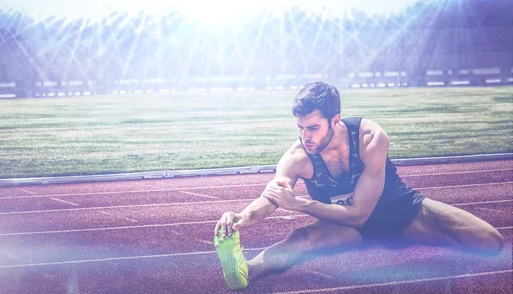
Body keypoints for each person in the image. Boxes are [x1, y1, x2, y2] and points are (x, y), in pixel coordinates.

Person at [213, 81, 504, 290]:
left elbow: (361, 213)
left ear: (335, 119)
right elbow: (272, 197)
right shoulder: (297, 157)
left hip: (402, 213)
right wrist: (242, 217)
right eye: (300, 128)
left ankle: (420, 242)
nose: (306, 137)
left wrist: (301, 204)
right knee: (301, 239)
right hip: (348, 230)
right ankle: (246, 271)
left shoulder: (370, 138)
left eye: (313, 127)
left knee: (490, 243)